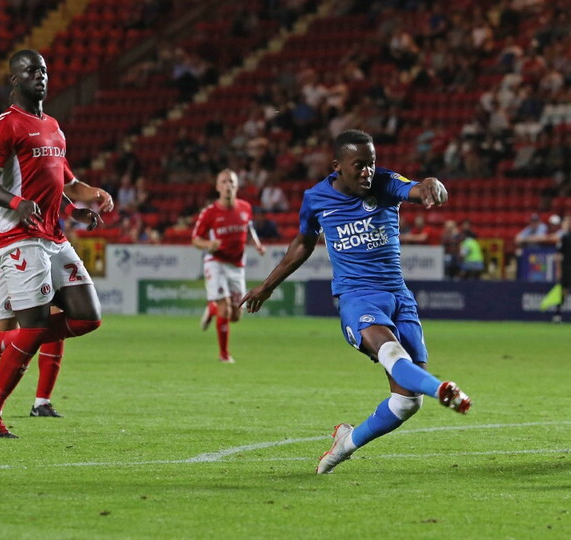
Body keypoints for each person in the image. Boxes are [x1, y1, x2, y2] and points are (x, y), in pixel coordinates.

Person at [242, 129, 471, 474]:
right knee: (391, 353)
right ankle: (442, 389)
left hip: (398, 296)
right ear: (337, 165)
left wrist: (431, 184)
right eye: (359, 165)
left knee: (407, 403)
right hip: (357, 298)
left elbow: (416, 187)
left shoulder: (385, 182)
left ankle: (345, 444)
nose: (367, 172)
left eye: (372, 163)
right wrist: (267, 286)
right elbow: (303, 243)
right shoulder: (316, 199)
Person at [0, 50, 112, 438]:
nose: (40, 76)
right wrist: (16, 203)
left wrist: (81, 204)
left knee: (88, 316)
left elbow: (63, 181)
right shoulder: (5, 125)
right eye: (30, 71)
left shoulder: (54, 127)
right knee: (34, 326)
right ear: (15, 79)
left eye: (43, 70)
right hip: (19, 239)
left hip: (54, 236)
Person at [0, 166, 111, 418]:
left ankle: (41, 401)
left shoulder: (49, 148)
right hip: (11, 245)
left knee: (53, 316)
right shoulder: (0, 153)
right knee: (5, 328)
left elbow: (68, 187)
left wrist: (87, 198)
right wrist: (13, 201)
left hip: (47, 241)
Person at [192, 168, 266, 363]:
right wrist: (209, 244)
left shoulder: (245, 208)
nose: (228, 186)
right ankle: (224, 354)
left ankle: (212, 308)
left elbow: (249, 228)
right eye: (224, 182)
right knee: (225, 308)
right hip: (216, 262)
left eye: (231, 182)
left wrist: (257, 244)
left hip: (237, 265)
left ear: (237, 186)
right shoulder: (209, 213)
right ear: (217, 187)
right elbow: (195, 239)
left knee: (236, 315)